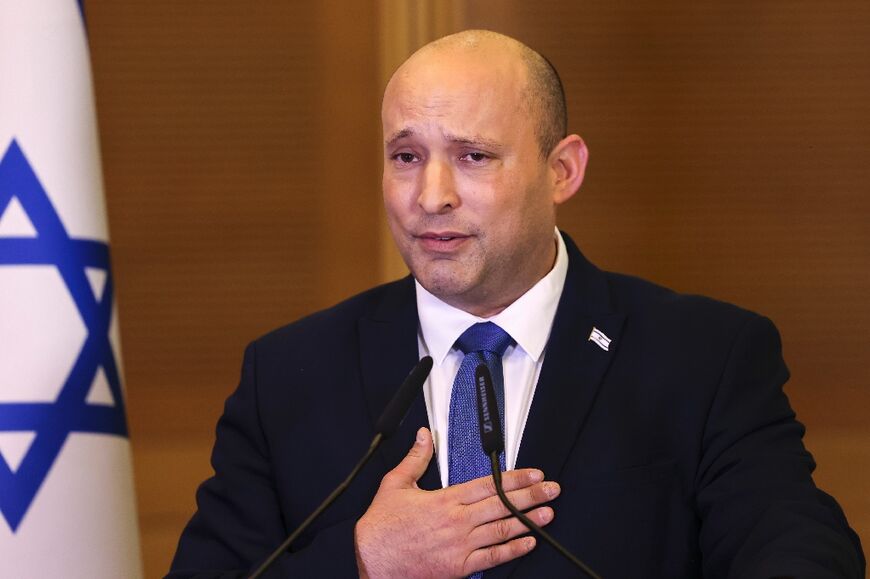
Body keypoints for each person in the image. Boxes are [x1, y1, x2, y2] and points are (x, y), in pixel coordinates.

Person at [168, 30, 864, 578]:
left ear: (562, 170)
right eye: (406, 156)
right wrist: (362, 562)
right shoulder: (288, 374)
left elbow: (802, 552)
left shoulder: (703, 357)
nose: (431, 195)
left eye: (472, 156)